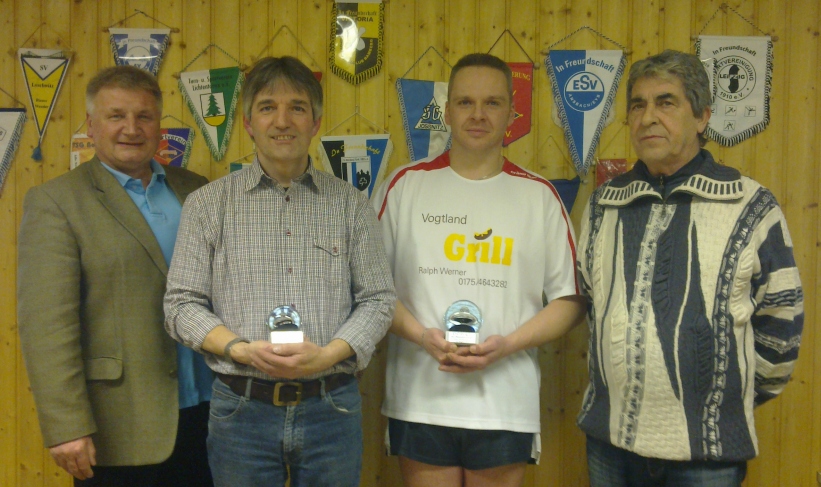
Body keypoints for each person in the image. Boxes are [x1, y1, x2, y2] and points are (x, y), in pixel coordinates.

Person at [163, 56, 395, 487]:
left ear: (316, 122)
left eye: (297, 108)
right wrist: (240, 350)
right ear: (249, 123)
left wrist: (327, 355)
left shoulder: (351, 205)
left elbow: (378, 299)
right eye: (268, 107)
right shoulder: (208, 204)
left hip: (332, 407)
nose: (283, 121)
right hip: (240, 411)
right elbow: (181, 304)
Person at [576, 49, 804, 486]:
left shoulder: (751, 205)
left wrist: (723, 400)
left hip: (707, 456)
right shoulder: (605, 204)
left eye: (666, 102)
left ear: (702, 117)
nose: (648, 118)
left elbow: (783, 323)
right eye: (638, 105)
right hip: (609, 443)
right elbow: (591, 305)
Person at [371, 53, 586, 487]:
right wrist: (422, 336)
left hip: (504, 404)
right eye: (465, 102)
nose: (478, 114)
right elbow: (371, 291)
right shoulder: (403, 185)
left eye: (492, 103)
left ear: (511, 113)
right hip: (420, 399)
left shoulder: (540, 197)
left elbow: (570, 300)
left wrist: (507, 345)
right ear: (447, 110)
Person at [17, 65, 213, 486]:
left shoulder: (196, 189)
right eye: (116, 116)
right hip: (120, 425)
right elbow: (47, 326)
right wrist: (66, 425)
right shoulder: (57, 202)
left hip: (211, 412)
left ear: (159, 125)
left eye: (144, 116)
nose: (131, 128)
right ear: (91, 125)